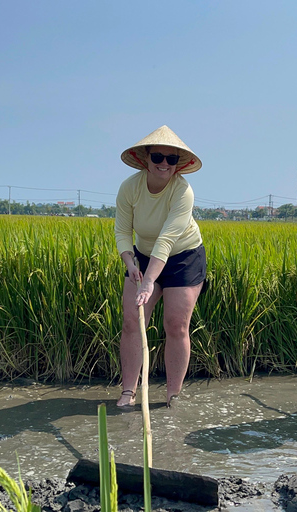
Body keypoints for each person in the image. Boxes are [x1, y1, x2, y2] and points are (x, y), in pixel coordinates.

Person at [115, 125, 206, 408]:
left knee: (176, 324)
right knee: (132, 320)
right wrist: (131, 264)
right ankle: (128, 391)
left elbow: (166, 241)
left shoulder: (183, 192)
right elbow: (122, 231)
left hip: (183, 257)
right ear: (146, 159)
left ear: (179, 164)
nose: (164, 164)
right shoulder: (130, 187)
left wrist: (149, 282)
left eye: (171, 159)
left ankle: (172, 396)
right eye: (158, 157)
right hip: (142, 256)